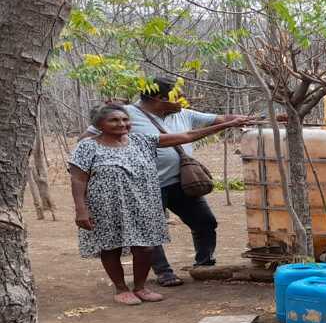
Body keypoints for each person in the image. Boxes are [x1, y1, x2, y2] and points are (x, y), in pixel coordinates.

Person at [70, 105, 252, 305]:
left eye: (125, 119)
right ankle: (121, 288)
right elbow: (78, 178)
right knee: (111, 246)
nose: (121, 124)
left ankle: (140, 287)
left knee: (146, 247)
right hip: (106, 205)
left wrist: (226, 124)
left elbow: (187, 136)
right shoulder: (87, 146)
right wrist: (81, 209)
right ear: (99, 124)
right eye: (114, 120)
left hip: (144, 203)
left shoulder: (141, 141)